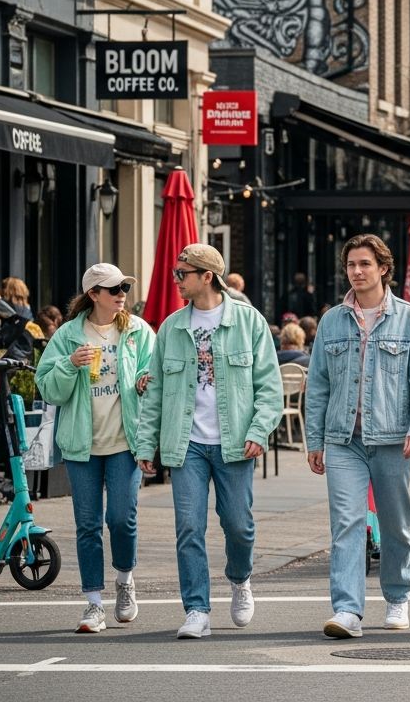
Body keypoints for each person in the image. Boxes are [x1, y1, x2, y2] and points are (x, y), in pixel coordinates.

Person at [134, 243, 283, 640]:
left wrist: (258, 430)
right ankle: (196, 609)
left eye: (182, 273)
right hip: (186, 445)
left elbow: (269, 387)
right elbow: (156, 392)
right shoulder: (171, 327)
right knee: (188, 527)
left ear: (207, 276)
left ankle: (239, 578)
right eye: (175, 273)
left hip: (235, 442)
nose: (176, 280)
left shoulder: (249, 323)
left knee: (239, 525)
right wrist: (146, 444)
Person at [306, 234, 410, 638]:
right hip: (344, 440)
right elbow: (318, 385)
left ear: (383, 268)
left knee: (396, 524)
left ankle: (397, 596)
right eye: (351, 265)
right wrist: (314, 440)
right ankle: (347, 610)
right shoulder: (332, 321)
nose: (356, 272)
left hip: (394, 439)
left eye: (364, 264)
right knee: (346, 523)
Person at [35, 264, 155, 634]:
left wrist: (145, 384)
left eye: (124, 288)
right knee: (87, 525)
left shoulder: (137, 332)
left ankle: (124, 580)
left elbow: (158, 377)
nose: (121, 294)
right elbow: (47, 388)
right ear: (93, 295)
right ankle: (93, 604)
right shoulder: (69, 335)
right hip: (81, 445)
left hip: (125, 442)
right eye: (113, 288)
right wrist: (70, 365)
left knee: (121, 518)